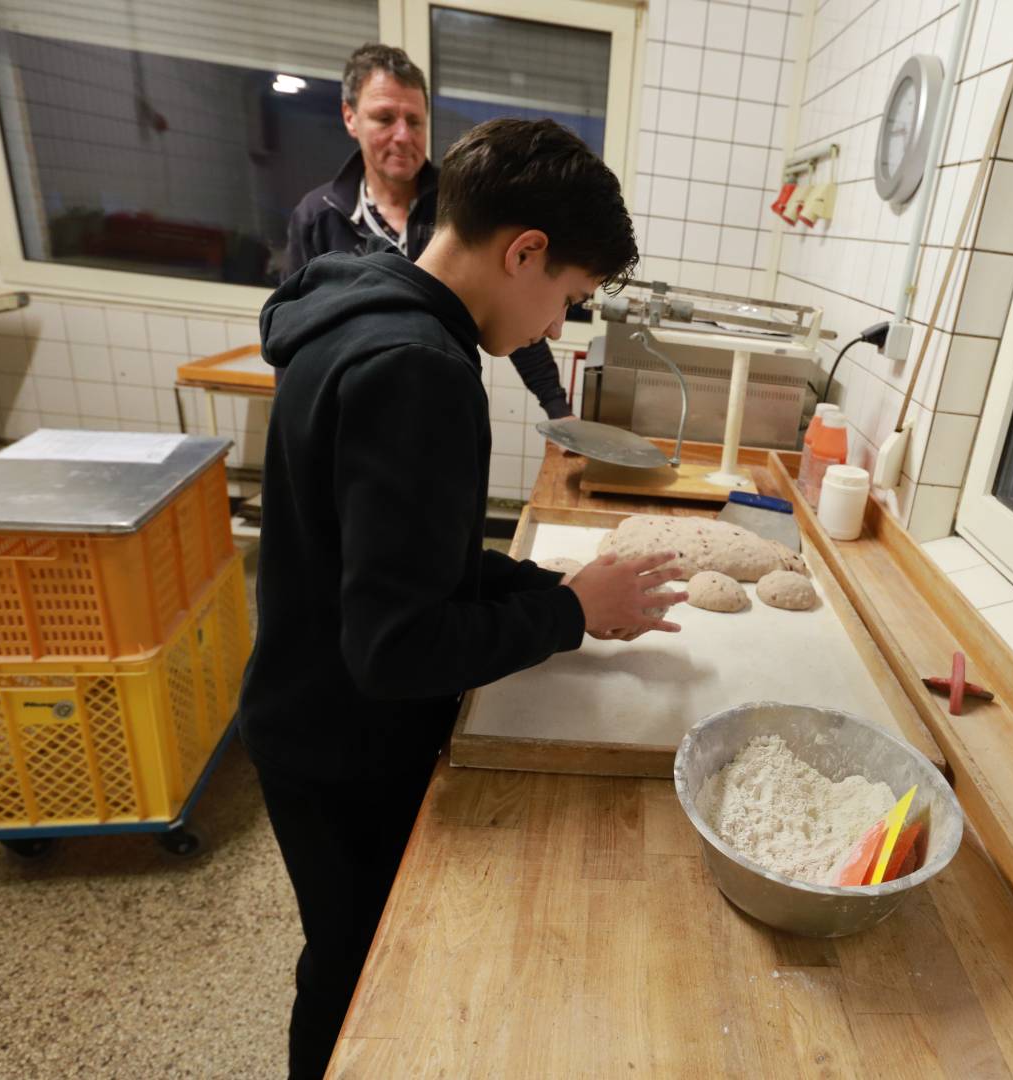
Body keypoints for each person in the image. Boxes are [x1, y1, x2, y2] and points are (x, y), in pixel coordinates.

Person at [240, 118, 686, 1079]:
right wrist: (565, 616)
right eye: (568, 297)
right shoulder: (421, 371)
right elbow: (397, 645)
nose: (556, 327)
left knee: (340, 952)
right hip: (347, 749)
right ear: (524, 251)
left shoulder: (358, 307)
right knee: (354, 970)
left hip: (302, 713)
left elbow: (413, 561)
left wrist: (561, 592)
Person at [282, 43, 574, 420]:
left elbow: (514, 300)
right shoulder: (317, 216)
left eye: (415, 121)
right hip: (348, 413)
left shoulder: (462, 206)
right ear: (350, 118)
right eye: (385, 119)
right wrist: (296, 421)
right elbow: (295, 336)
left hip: (437, 405)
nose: (403, 136)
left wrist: (558, 408)